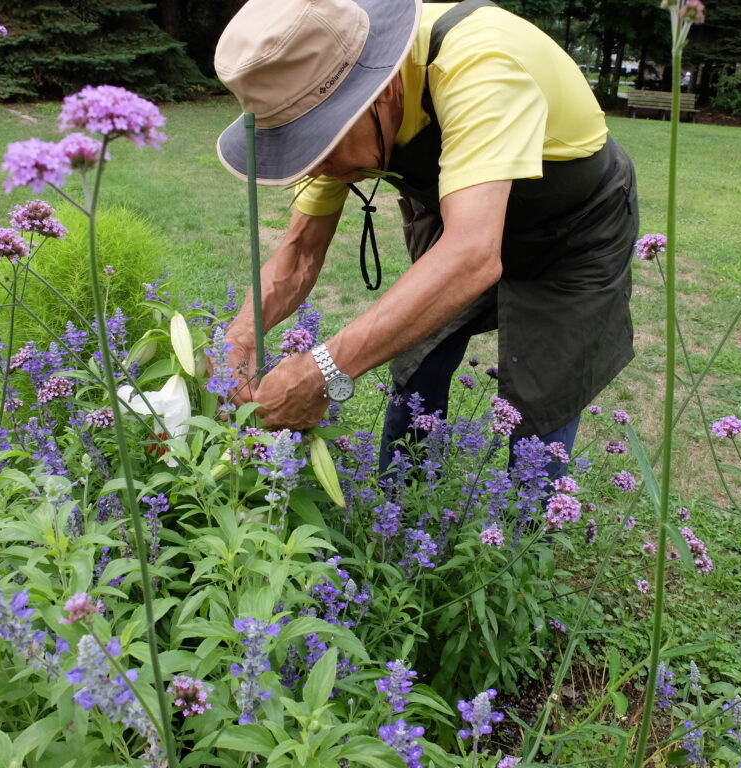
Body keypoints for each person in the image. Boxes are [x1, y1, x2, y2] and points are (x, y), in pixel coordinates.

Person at [213, 0, 638, 476]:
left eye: (321, 142)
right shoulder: (326, 91)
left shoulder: (479, 62)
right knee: (415, 362)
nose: (316, 168)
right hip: (461, 216)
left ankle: (527, 527)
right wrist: (236, 339)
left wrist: (323, 373)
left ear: (380, 92)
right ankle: (396, 517)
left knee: (546, 396)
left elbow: (472, 255)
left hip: (574, 229)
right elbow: (298, 256)